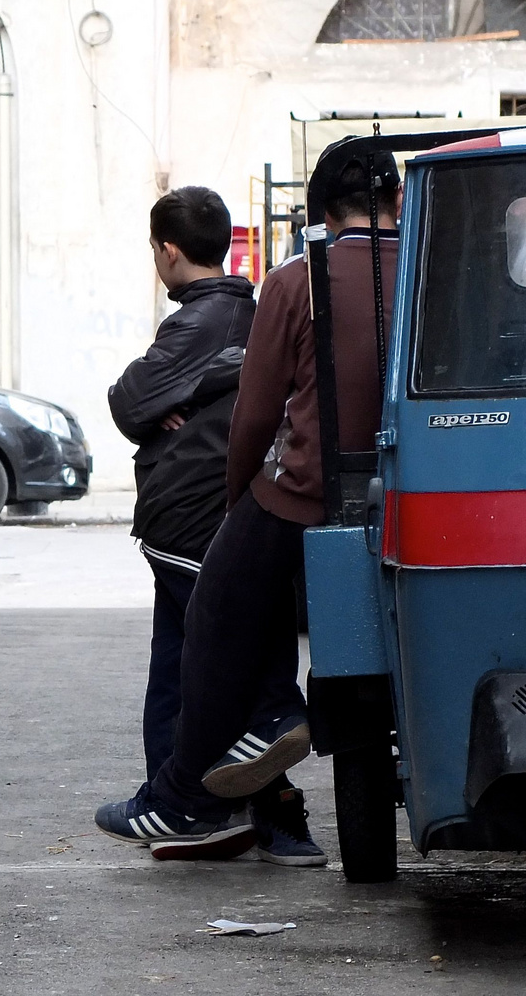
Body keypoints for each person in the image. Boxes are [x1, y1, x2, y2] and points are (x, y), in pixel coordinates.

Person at [96, 157, 400, 858]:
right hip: (415, 488)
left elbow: (257, 415)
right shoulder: (431, 266)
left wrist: (242, 502)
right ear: (397, 197)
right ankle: (261, 785)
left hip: (309, 489)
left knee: (213, 616)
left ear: (323, 214)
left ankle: (183, 794)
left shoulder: (299, 278)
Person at [106, 188, 315, 863]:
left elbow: (129, 400)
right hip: (223, 506)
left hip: (190, 514)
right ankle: (200, 804)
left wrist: (178, 396)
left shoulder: (202, 322)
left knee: (212, 668)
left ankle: (206, 805)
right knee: (196, 660)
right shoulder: (250, 312)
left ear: (167, 250)